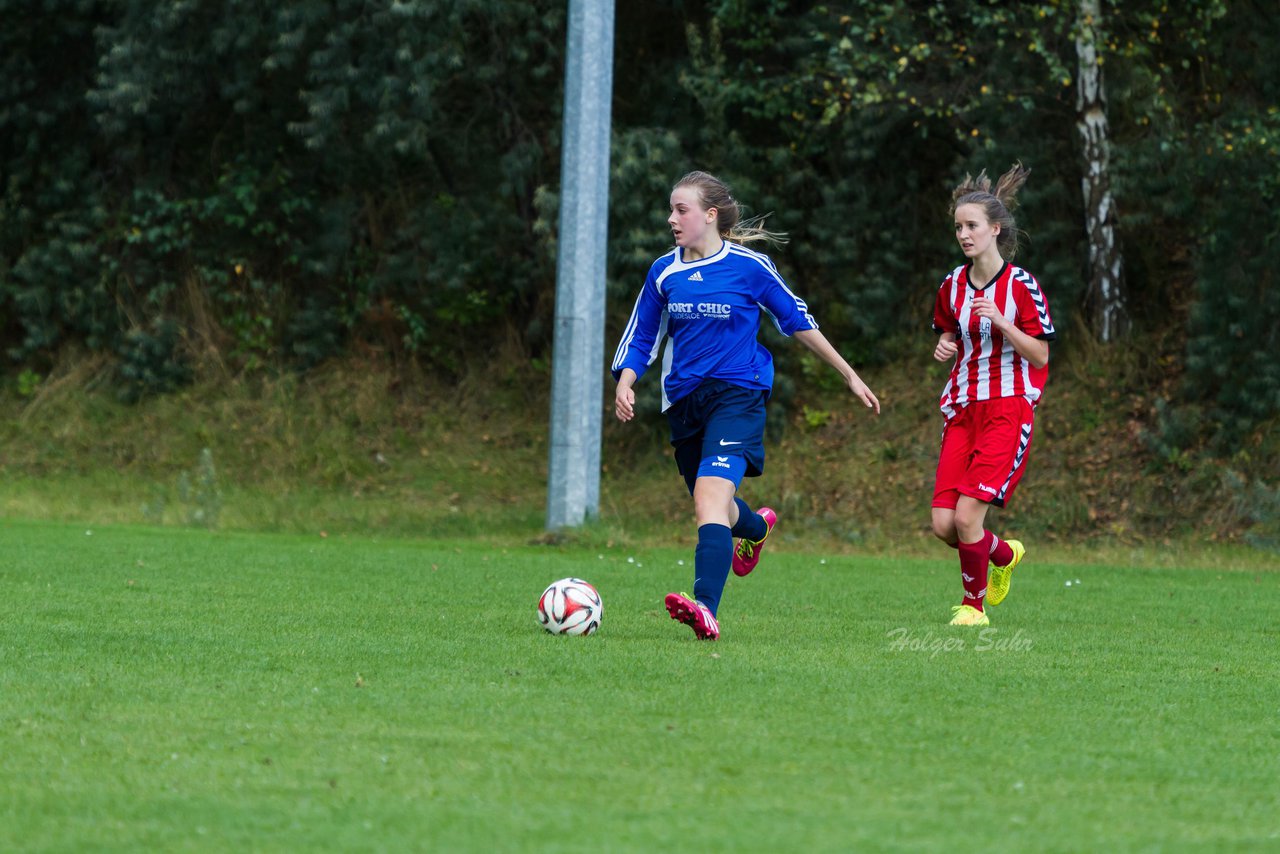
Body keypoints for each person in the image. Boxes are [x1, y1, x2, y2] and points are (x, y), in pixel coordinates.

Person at [611, 170, 880, 640]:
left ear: (709, 215)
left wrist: (849, 373)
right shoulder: (664, 271)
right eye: (671, 210)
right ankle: (755, 529)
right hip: (685, 401)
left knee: (708, 499)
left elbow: (797, 320)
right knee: (717, 503)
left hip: (740, 393)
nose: (672, 219)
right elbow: (642, 336)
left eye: (682, 210)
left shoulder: (750, 267)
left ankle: (705, 608)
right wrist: (627, 382)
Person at [929, 162, 1056, 627]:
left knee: (967, 519)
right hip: (963, 410)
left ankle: (973, 609)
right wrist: (945, 344)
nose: (964, 234)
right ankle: (1002, 554)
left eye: (972, 226)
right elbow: (949, 335)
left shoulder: (1021, 286)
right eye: (959, 227)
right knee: (945, 525)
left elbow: (1040, 356)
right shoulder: (951, 286)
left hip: (1008, 409)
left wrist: (1004, 324)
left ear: (994, 230)